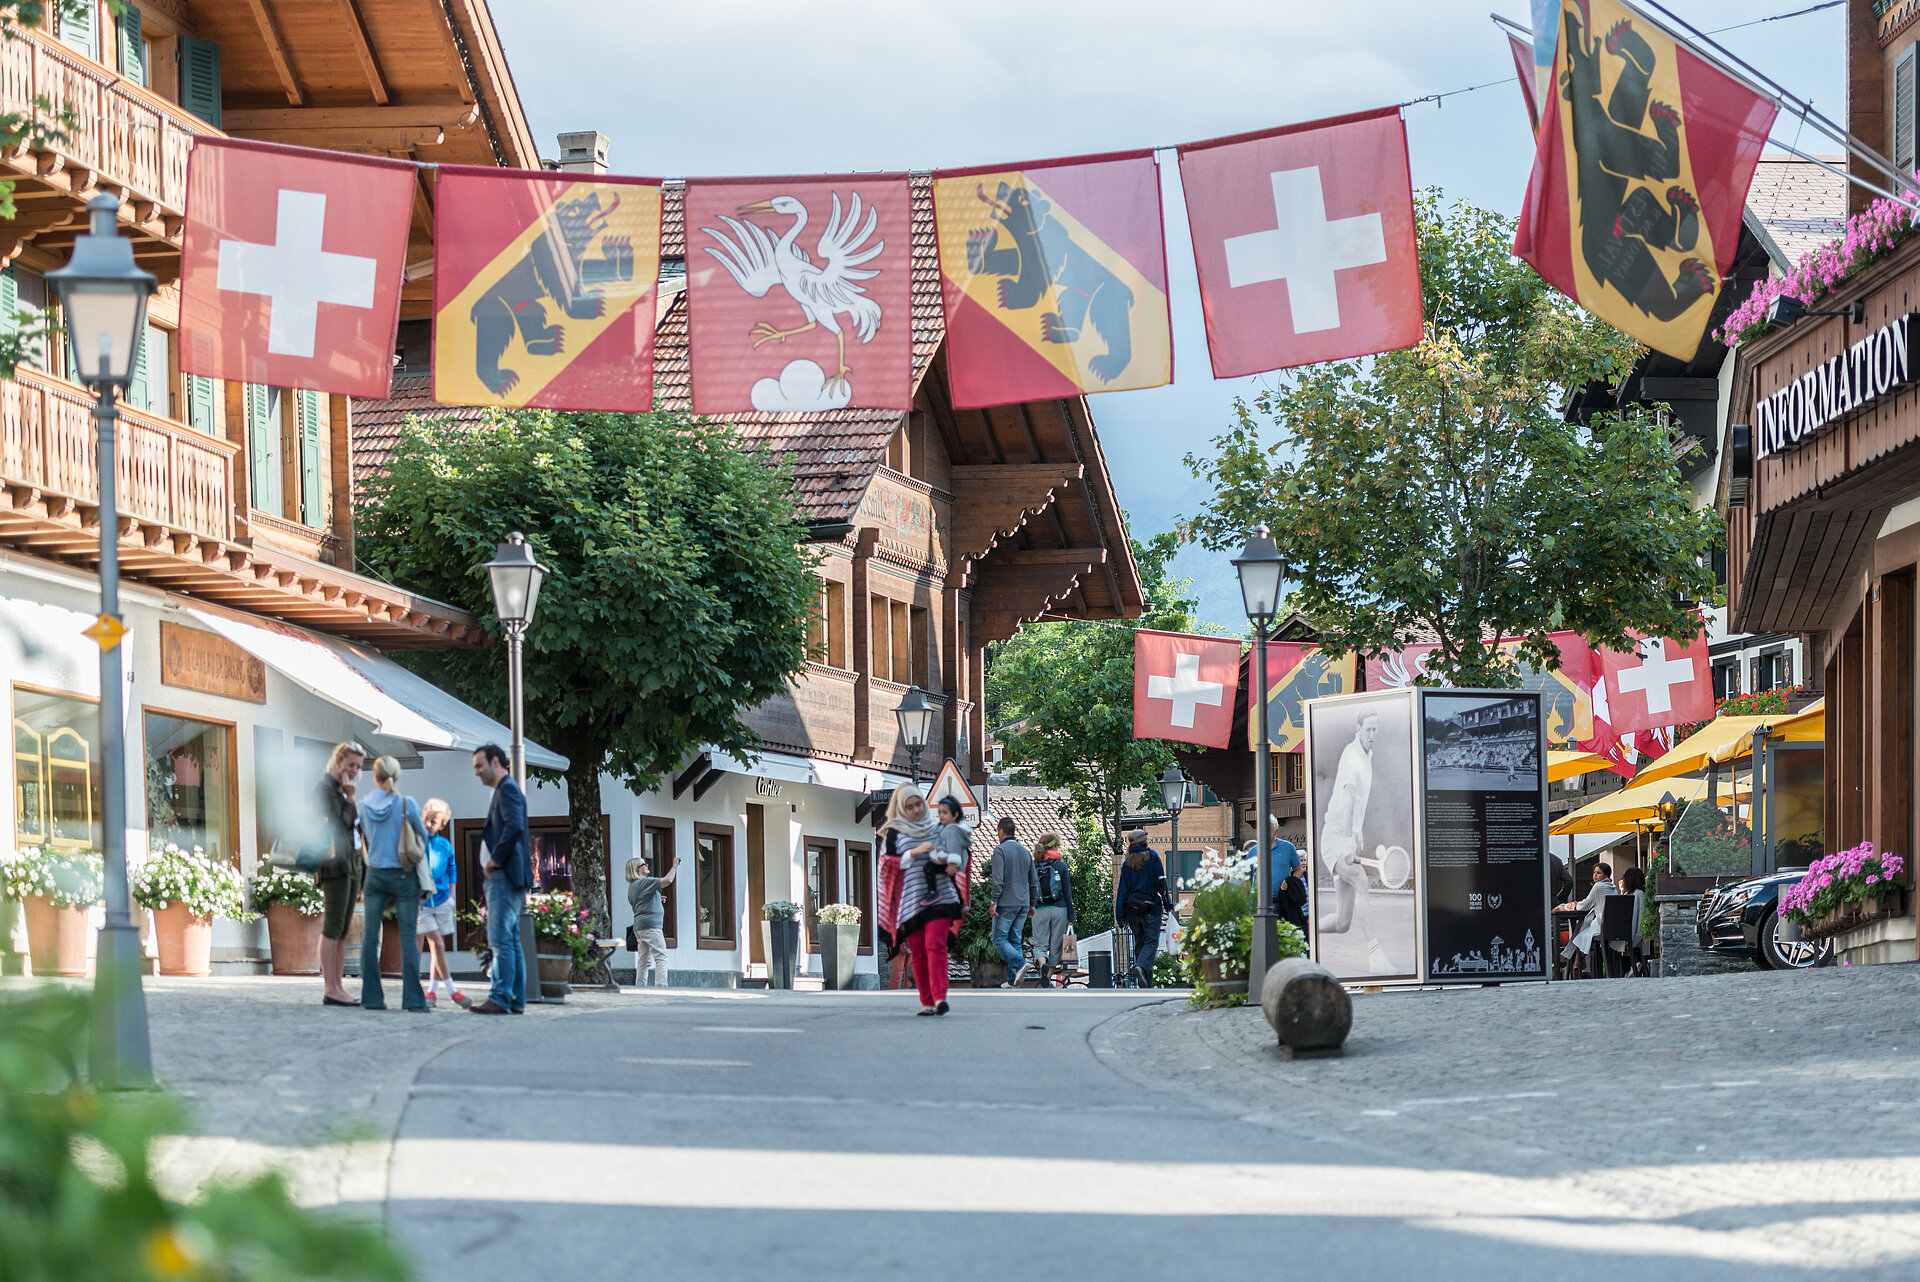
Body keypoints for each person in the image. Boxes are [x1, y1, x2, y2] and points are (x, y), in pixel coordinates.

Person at [876, 787, 967, 1015]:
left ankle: (940, 998)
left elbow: (959, 852)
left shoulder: (939, 828)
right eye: (909, 806)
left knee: (935, 945)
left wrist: (952, 860)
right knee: (918, 951)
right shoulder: (894, 835)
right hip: (911, 902)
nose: (916, 810)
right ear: (901, 809)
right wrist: (914, 852)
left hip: (942, 897)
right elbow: (886, 865)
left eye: (919, 804)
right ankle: (926, 1001)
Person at [1319, 709, 1393, 975]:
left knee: (1342, 923)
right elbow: (1349, 799)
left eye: (1376, 729)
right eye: (1368, 729)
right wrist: (1350, 839)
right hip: (1335, 839)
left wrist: (1358, 832)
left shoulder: (1366, 755)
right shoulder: (1352, 756)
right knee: (1361, 879)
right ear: (1358, 728)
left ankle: (1303, 928)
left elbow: (1357, 802)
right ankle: (1376, 958)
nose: (1372, 734)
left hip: (1345, 835)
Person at [356, 756, 430, 1012]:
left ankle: (372, 998)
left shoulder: (363, 806)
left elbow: (360, 837)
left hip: (374, 875)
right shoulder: (407, 804)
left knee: (369, 937)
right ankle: (413, 1000)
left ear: (374, 777)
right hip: (404, 874)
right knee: (409, 936)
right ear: (397, 777)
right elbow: (424, 834)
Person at [470, 743, 531, 1015]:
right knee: (511, 940)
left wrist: (495, 859)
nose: (476, 773)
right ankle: (515, 999)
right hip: (509, 876)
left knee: (501, 940)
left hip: (504, 876)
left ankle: (500, 997)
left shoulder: (506, 789)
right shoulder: (506, 789)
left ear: (496, 761)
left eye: (479, 766)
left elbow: (514, 826)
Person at [313, 742, 367, 1007]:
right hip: (334, 866)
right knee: (332, 927)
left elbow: (357, 833)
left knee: (343, 930)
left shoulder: (342, 792)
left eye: (358, 766)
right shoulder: (323, 790)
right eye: (350, 765)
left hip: (351, 866)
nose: (355, 770)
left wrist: (362, 878)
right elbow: (337, 826)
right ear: (338, 762)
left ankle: (338, 986)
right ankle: (330, 988)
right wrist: (351, 798)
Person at [418, 798, 465, 1007]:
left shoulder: (444, 845)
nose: (429, 824)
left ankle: (431, 993)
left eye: (434, 822)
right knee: (437, 943)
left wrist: (452, 896)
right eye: (427, 819)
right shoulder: (416, 841)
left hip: (443, 900)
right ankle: (452, 990)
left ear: (442, 825)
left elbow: (451, 869)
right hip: (423, 902)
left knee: (437, 946)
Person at [1113, 829, 1174, 987]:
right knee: (1151, 943)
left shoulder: (1128, 862)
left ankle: (1145, 985)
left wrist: (1120, 916)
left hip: (1133, 910)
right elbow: (1161, 883)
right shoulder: (1152, 857)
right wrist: (1168, 905)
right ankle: (1140, 968)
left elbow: (1122, 890)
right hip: (1151, 908)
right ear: (1144, 841)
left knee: (1140, 943)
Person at [988, 816, 1040, 986]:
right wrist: (1032, 903)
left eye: (997, 831)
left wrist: (994, 901)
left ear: (1001, 831)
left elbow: (998, 880)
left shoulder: (1000, 851)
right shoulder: (1025, 852)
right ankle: (1013, 982)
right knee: (1015, 940)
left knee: (998, 938)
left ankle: (1020, 963)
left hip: (1005, 903)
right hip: (1023, 903)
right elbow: (1034, 881)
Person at [626, 853, 680, 988]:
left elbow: (641, 901)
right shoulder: (644, 882)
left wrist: (657, 899)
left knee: (643, 961)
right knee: (661, 956)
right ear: (637, 869)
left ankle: (640, 987)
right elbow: (667, 881)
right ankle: (661, 987)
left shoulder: (633, 886)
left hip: (640, 927)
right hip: (651, 926)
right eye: (643, 864)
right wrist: (674, 866)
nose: (647, 865)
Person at [1029, 832, 1074, 987]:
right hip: (1059, 909)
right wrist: (1071, 916)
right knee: (1055, 949)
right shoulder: (1061, 865)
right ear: (1055, 846)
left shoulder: (1033, 865)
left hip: (1039, 909)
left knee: (1040, 945)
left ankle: (1042, 965)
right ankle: (1046, 980)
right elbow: (1068, 893)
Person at [1558, 861, 1617, 973]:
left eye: (1598, 873)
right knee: (1583, 925)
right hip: (1612, 926)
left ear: (1606, 875)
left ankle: (1572, 958)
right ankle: (1577, 961)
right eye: (1594, 872)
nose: (1595, 875)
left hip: (1601, 926)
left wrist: (1573, 906)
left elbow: (1585, 905)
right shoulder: (1612, 887)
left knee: (1581, 929)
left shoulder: (1598, 886)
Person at [1269, 827, 1307, 933]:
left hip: (1282, 902)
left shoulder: (1288, 847)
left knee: (1284, 936)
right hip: (1258, 904)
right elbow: (1246, 878)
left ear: (1276, 831)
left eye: (1269, 828)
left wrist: (1290, 884)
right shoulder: (1255, 850)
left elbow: (1299, 870)